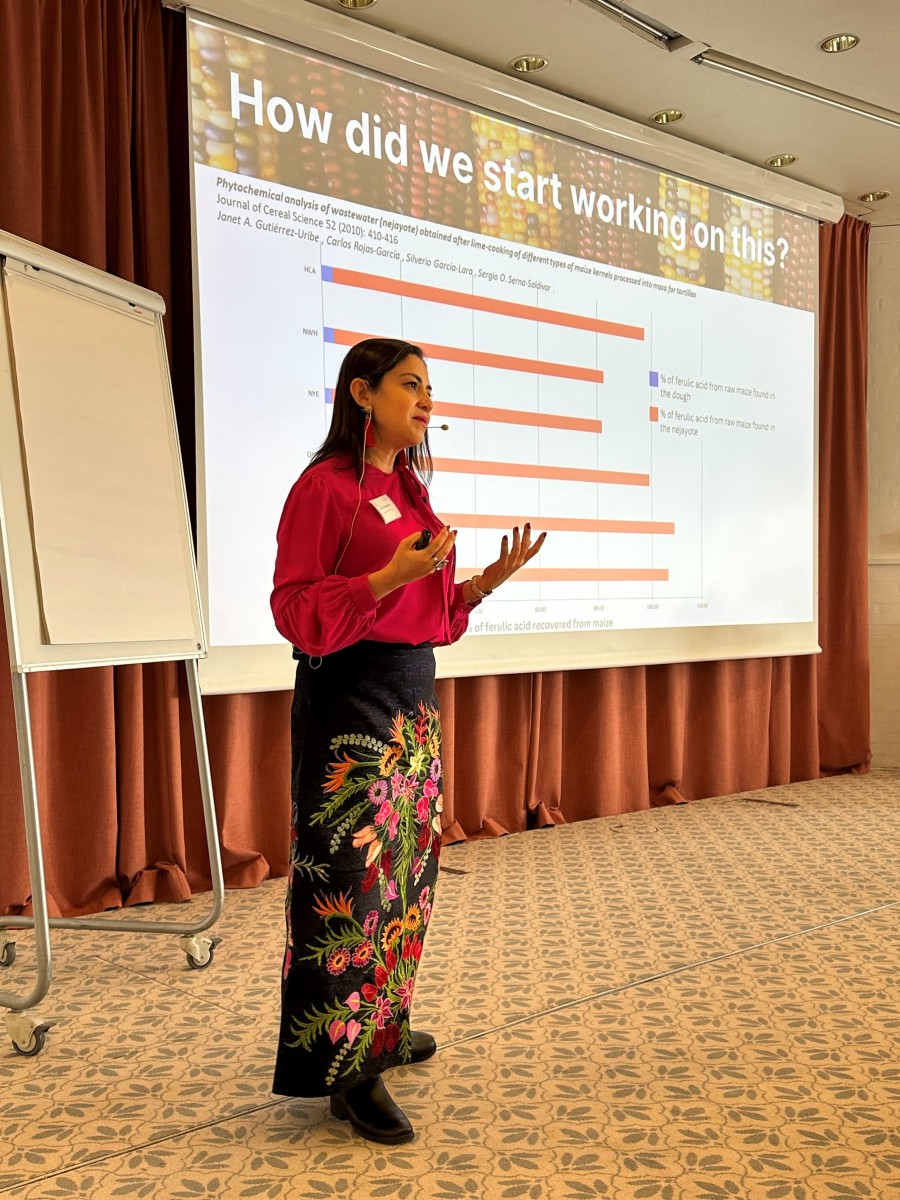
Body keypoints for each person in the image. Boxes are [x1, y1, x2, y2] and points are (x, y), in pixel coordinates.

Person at [270, 337, 546, 1144]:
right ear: (362, 393)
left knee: (403, 880)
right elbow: (294, 609)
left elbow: (427, 614)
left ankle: (381, 1026)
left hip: (411, 704)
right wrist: (387, 578)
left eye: (429, 388)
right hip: (349, 702)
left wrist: (478, 585)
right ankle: (346, 1070)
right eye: (410, 385)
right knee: (350, 884)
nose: (426, 401)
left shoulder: (409, 488)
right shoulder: (324, 488)